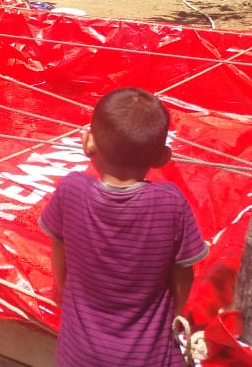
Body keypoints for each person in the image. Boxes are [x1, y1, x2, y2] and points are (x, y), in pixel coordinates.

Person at [39, 87, 208, 366]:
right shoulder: (170, 202)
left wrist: (66, 293)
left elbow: (60, 259)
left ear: (87, 143)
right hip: (149, 357)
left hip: (78, 356)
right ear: (163, 157)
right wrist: (174, 315)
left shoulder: (71, 190)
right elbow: (183, 275)